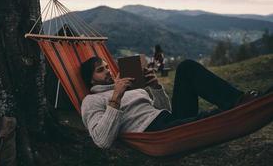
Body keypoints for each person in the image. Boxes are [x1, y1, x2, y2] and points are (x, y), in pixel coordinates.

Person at [80, 57, 259, 149]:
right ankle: (238, 112)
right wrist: (116, 97)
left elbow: (164, 110)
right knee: (206, 119)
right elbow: (102, 140)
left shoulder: (130, 86)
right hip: (154, 134)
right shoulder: (92, 101)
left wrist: (156, 87)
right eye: (100, 70)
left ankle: (240, 101)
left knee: (186, 67)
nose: (108, 72)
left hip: (170, 121)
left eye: (107, 67)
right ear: (91, 80)